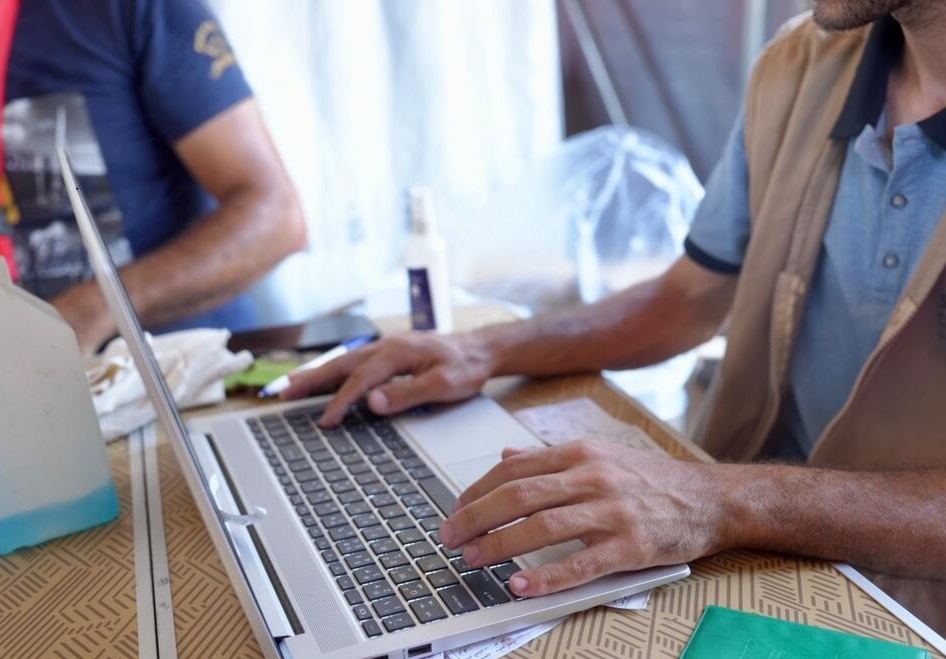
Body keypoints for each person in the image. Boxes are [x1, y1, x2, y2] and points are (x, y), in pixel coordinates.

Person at [282, 0, 946, 634]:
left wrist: (724, 498)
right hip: (751, 542)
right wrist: (485, 349)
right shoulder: (801, 64)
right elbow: (687, 299)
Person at [2, 0, 306, 355]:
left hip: (188, 382)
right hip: (28, 395)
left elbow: (276, 217)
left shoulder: (131, 9)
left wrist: (90, 310)